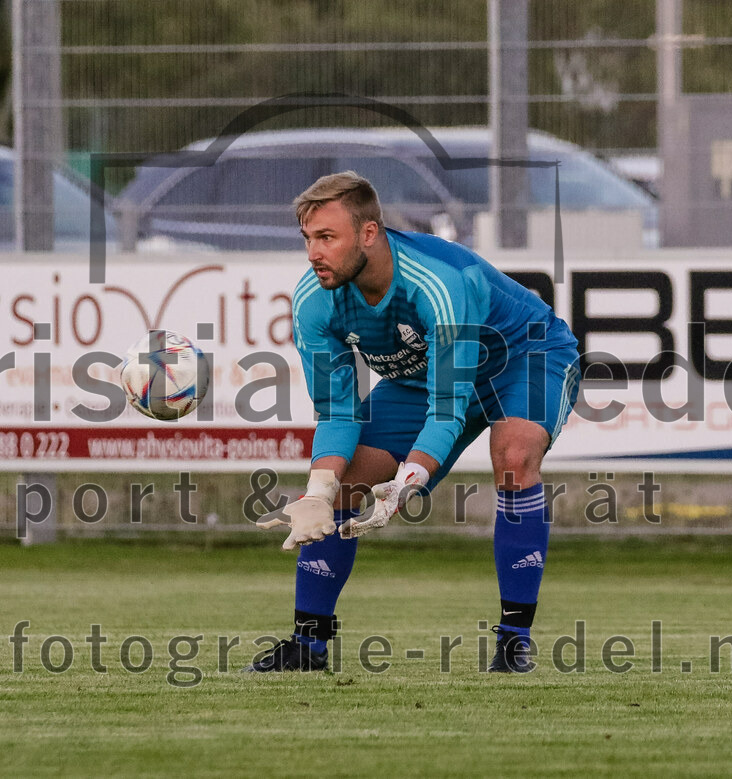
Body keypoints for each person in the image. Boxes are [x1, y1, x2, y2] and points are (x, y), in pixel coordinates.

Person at [246, 171, 580, 674]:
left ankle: (514, 641)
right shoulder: (314, 301)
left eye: (327, 238)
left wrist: (410, 479)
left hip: (524, 356)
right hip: (422, 374)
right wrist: (317, 492)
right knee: (344, 485)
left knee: (513, 459)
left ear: (369, 233)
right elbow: (338, 412)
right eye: (309, 239)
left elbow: (449, 407)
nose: (314, 253)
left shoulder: (438, 281)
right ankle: (307, 645)